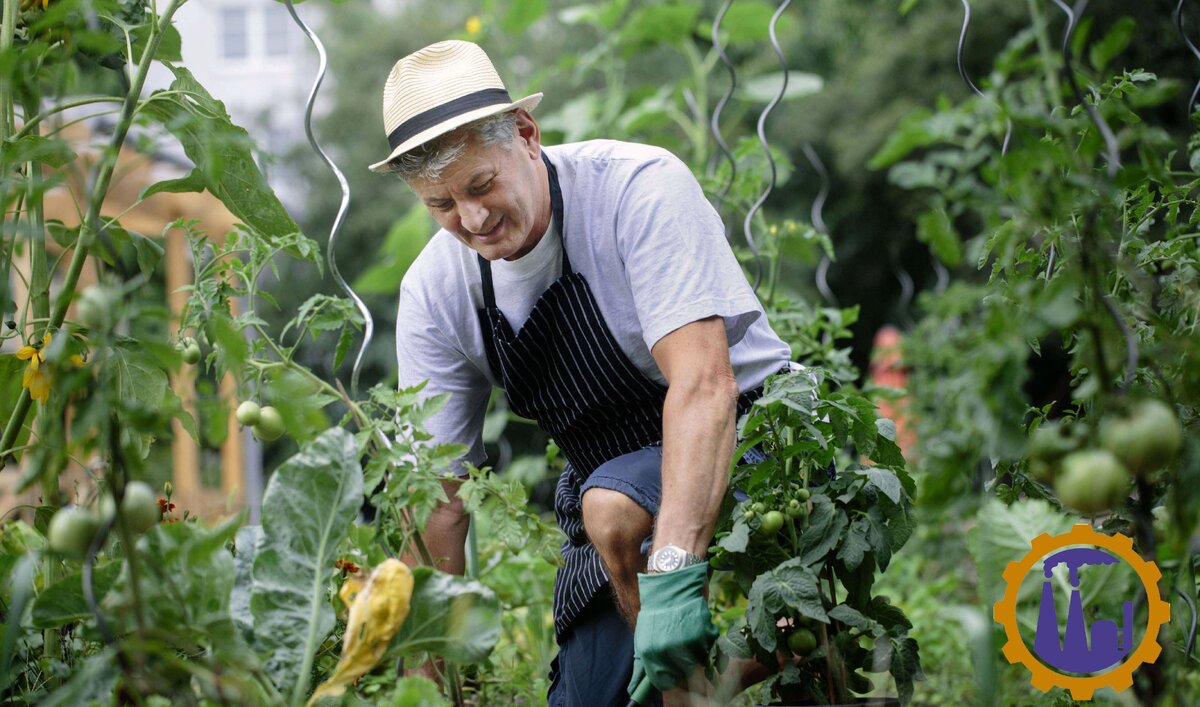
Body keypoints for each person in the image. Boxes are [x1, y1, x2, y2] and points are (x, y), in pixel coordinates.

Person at [371, 40, 792, 706]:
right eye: (442, 205)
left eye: (481, 185)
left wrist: (674, 580)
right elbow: (435, 499)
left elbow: (706, 386)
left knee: (615, 507)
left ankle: (706, 682)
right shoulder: (435, 291)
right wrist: (426, 671)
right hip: (616, 505)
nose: (472, 219)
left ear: (527, 135)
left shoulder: (635, 190)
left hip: (758, 444)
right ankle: (708, 680)